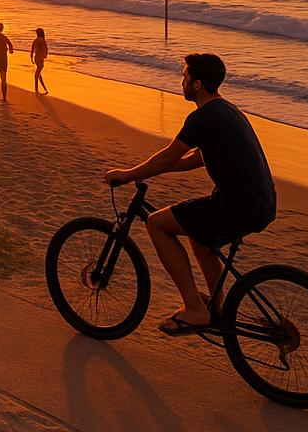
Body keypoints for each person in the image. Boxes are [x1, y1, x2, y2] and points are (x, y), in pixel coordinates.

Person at [104, 53, 276, 336]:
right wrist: (154, 171)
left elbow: (167, 156)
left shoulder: (202, 117)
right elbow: (196, 157)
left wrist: (128, 174)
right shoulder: (226, 110)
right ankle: (217, 307)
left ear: (196, 84)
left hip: (237, 205)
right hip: (261, 203)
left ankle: (195, 310)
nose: (181, 81)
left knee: (157, 223)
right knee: (199, 235)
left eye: (184, 77)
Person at [30, 27, 49, 94]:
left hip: (36, 58)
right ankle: (36, 89)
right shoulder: (42, 40)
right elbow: (45, 49)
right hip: (40, 58)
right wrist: (45, 55)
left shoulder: (35, 40)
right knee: (37, 73)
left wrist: (31, 58)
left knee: (38, 73)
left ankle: (44, 89)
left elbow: (32, 50)